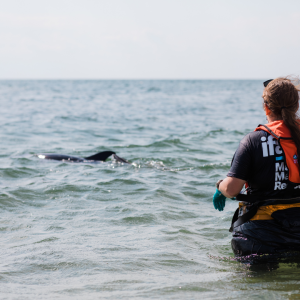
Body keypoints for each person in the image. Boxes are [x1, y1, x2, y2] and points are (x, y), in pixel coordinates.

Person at [213, 77, 300, 256]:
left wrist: (219, 186)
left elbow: (231, 189)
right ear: (296, 106)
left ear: (266, 107)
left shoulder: (252, 141)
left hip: (259, 238)